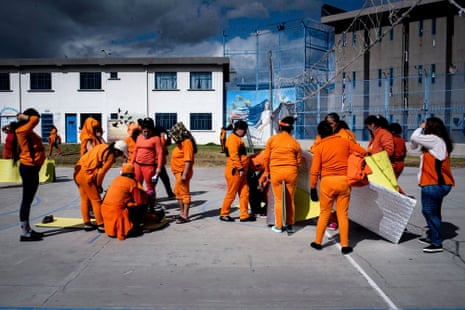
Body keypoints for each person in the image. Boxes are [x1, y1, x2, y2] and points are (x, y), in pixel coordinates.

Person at [310, 121, 367, 255]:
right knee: (343, 214)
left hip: (327, 182)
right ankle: (345, 245)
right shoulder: (344, 142)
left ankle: (318, 242)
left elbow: (314, 170)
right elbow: (363, 152)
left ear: (320, 133)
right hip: (344, 181)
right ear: (332, 130)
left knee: (325, 213)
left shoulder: (319, 147)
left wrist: (313, 187)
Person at [410, 117, 455, 253]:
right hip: (436, 183)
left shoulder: (434, 139)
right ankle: (433, 236)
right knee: (434, 211)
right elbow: (413, 144)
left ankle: (436, 242)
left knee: (428, 211)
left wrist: (421, 128)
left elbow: (414, 136)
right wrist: (421, 132)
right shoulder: (436, 141)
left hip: (434, 183)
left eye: (426, 124)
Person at [310, 112, 357, 231]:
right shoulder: (322, 135)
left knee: (340, 205)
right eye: (327, 124)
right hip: (326, 173)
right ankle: (331, 219)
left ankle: (336, 221)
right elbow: (314, 148)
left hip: (341, 174)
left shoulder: (346, 135)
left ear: (337, 123)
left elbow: (355, 150)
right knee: (327, 203)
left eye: (331, 123)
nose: (329, 126)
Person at [74, 140, 128, 232]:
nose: (119, 156)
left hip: (77, 172)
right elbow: (101, 173)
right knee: (96, 200)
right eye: (121, 154)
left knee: (85, 200)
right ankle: (100, 224)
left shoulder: (102, 146)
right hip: (87, 176)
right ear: (117, 151)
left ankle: (87, 223)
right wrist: (99, 186)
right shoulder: (110, 157)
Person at [10, 108, 46, 241]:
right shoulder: (22, 130)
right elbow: (36, 118)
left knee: (29, 200)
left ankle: (28, 229)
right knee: (26, 200)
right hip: (29, 168)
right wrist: (24, 116)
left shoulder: (26, 130)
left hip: (33, 168)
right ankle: (24, 232)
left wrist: (24, 118)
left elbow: (34, 118)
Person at [263, 116, 302, 233]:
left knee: (278, 200)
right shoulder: (294, 142)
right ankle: (290, 224)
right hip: (291, 171)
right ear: (291, 129)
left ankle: (279, 226)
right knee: (290, 200)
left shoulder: (272, 140)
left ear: (280, 127)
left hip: (276, 171)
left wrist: (266, 171)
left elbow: (266, 157)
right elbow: (298, 161)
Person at [219, 120, 256, 222]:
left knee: (244, 193)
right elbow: (234, 155)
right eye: (244, 130)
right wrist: (240, 168)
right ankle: (224, 213)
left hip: (241, 171)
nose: (245, 133)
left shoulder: (237, 138)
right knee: (231, 193)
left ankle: (244, 215)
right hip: (235, 171)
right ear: (239, 129)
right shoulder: (232, 139)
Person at [101, 163, 148, 240]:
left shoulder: (116, 179)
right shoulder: (131, 183)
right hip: (117, 211)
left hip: (105, 210)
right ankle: (135, 224)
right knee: (140, 207)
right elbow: (139, 202)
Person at [131, 117, 163, 213]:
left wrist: (159, 168)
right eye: (144, 131)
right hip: (137, 165)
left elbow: (160, 153)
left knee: (150, 188)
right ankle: (139, 203)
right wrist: (131, 163)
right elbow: (135, 151)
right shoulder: (139, 137)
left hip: (149, 166)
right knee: (137, 185)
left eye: (148, 132)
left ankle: (151, 206)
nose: (146, 134)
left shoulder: (156, 139)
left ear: (151, 130)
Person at [168, 122, 196, 224]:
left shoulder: (187, 142)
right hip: (177, 173)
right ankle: (181, 212)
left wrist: (184, 175)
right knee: (178, 192)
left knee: (184, 193)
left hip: (183, 172)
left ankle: (185, 215)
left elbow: (188, 160)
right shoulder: (181, 143)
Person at [154, 125, 175, 199]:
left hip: (160, 163)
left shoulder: (159, 139)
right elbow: (165, 145)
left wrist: (168, 137)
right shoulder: (158, 140)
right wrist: (165, 136)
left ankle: (170, 193)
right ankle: (151, 195)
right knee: (155, 180)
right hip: (157, 163)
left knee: (165, 179)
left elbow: (168, 144)